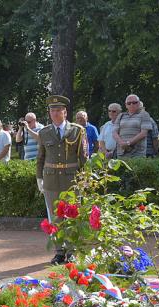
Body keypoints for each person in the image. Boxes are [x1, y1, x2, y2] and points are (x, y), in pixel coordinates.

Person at [36, 95, 89, 265]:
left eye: (59, 110)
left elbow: (83, 157)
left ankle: (72, 251)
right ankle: (59, 252)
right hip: (51, 180)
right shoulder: (44, 132)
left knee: (72, 216)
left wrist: (84, 178)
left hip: (71, 179)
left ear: (65, 112)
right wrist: (39, 177)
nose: (55, 113)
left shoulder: (77, 130)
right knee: (56, 218)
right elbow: (40, 157)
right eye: (52, 110)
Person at [113, 94, 153, 158]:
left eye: (134, 102)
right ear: (126, 105)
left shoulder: (144, 115)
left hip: (137, 153)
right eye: (129, 103)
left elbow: (144, 133)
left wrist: (128, 143)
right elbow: (114, 132)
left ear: (139, 103)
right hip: (121, 153)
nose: (131, 104)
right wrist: (121, 143)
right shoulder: (121, 116)